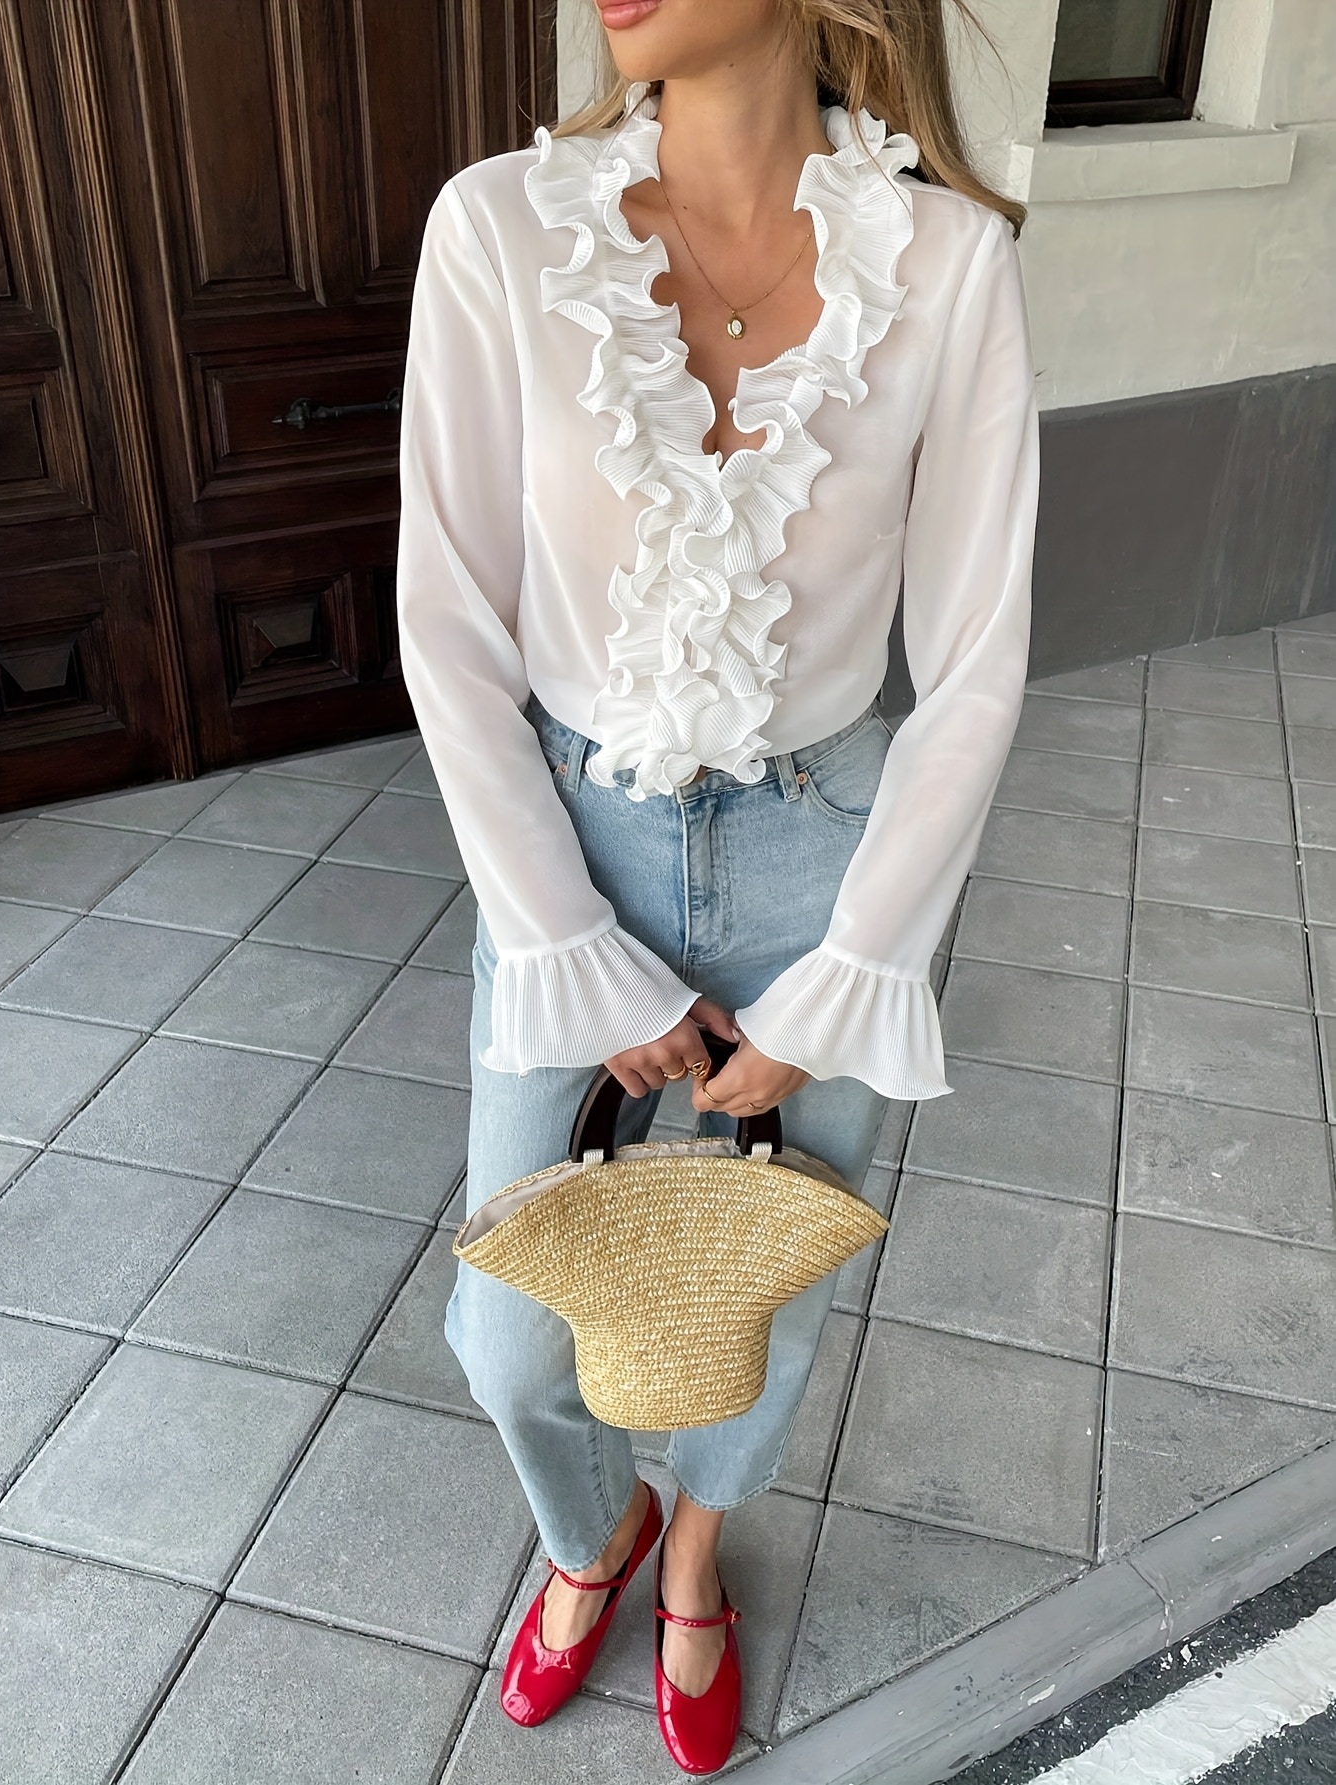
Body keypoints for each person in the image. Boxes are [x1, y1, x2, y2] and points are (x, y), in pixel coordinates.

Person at [396, 0, 1037, 1771]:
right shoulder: (501, 230)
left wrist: (851, 973)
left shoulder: (948, 262)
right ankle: (590, 1529)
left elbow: (974, 664)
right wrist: (568, 941)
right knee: (513, 1337)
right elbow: (448, 625)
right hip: (572, 836)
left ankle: (694, 1552)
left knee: (769, 1285)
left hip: (829, 850)